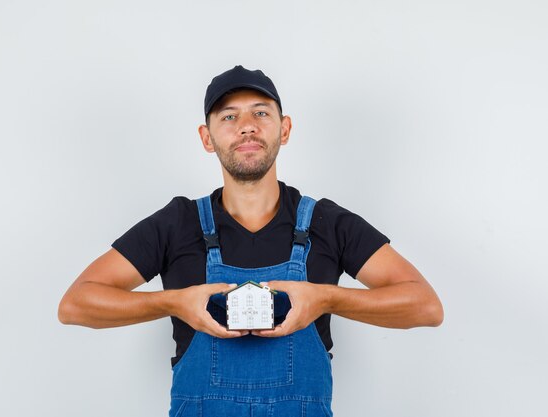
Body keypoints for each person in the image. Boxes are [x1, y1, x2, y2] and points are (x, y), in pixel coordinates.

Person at [58, 65, 444, 417]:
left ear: (285, 128)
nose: (247, 126)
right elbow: (76, 304)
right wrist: (174, 302)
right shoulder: (178, 224)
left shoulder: (327, 223)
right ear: (207, 138)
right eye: (229, 116)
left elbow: (425, 306)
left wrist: (325, 298)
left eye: (260, 112)